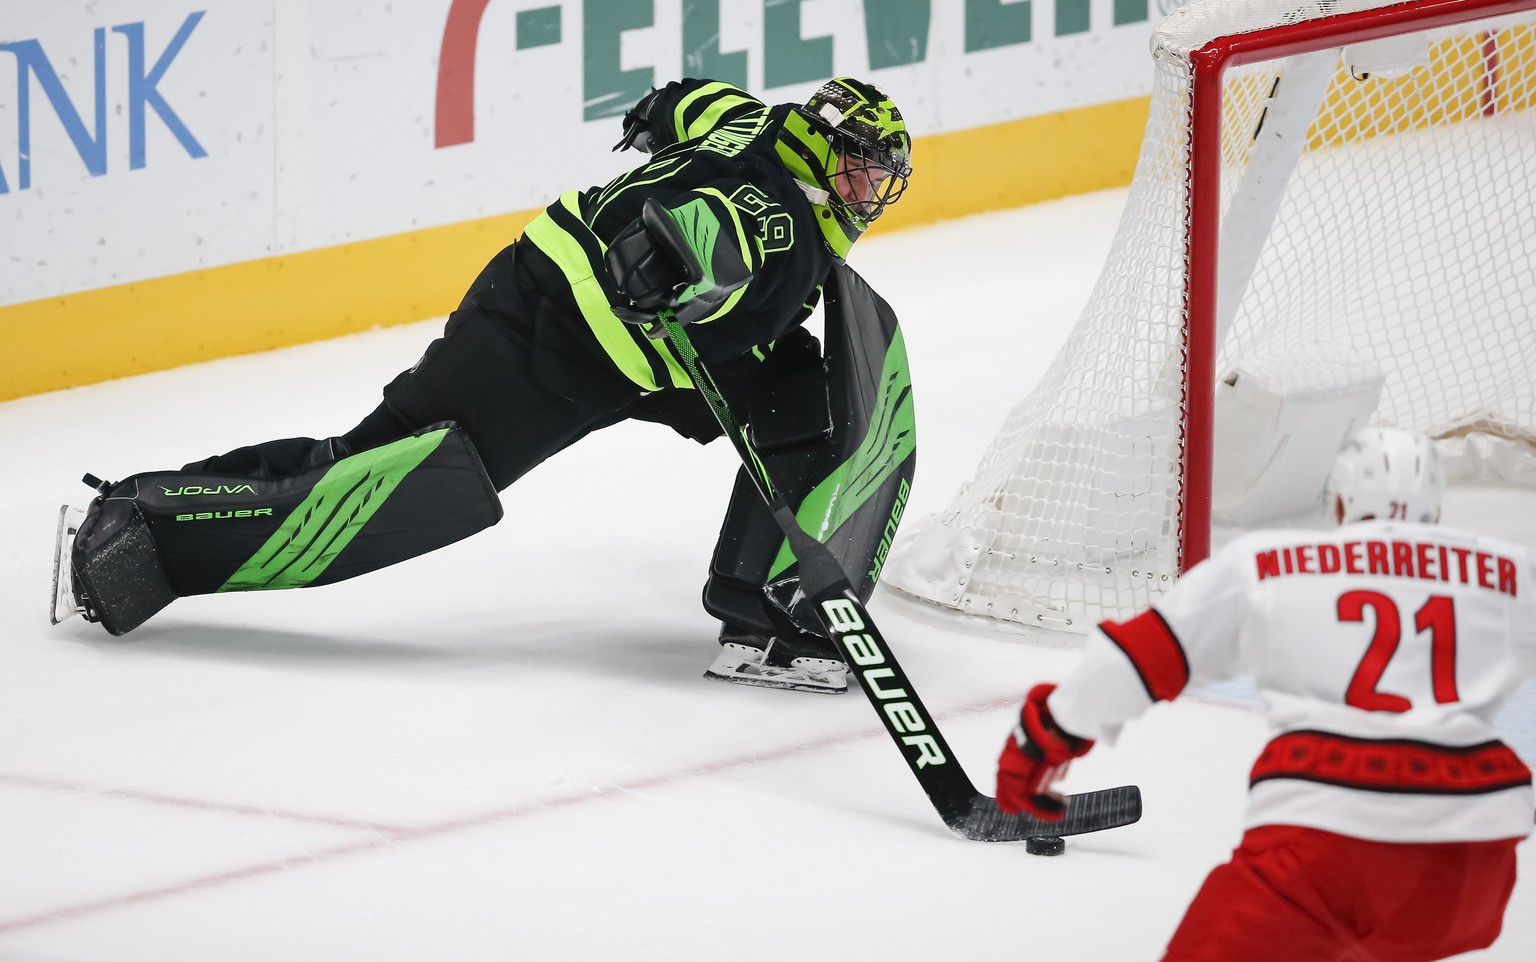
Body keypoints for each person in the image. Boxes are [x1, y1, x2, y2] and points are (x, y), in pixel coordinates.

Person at [54, 77, 917, 695]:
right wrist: (671, 255)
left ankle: (767, 613)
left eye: (880, 177)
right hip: (547, 338)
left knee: (808, 403)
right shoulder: (775, 222)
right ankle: (144, 530)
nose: (868, 191)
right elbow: (716, 228)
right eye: (860, 168)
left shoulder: (748, 120)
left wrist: (654, 129)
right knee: (381, 484)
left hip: (640, 347)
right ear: (819, 144)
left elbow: (684, 101)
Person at [995, 427, 1534, 962]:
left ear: (1341, 504)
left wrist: (1042, 741)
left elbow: (1139, 657)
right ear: (1436, 510)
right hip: (1473, 863)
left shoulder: (1271, 565)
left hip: (1324, 845)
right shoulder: (1512, 574)